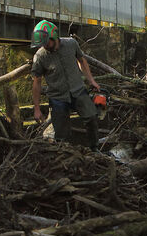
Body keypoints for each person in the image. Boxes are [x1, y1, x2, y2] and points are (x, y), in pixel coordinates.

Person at [30, 20, 101, 150]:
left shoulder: (71, 44)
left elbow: (82, 60)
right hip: (58, 97)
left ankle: (95, 149)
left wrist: (91, 80)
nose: (44, 45)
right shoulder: (40, 56)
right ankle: (63, 154)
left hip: (78, 89)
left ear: (54, 37)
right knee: (61, 133)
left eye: (46, 42)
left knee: (91, 117)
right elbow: (37, 82)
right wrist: (36, 108)